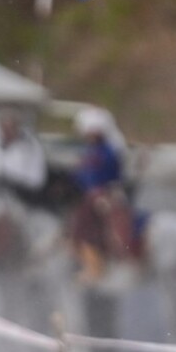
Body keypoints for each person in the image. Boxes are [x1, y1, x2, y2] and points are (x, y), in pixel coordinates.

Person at [66, 106, 134, 283]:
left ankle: (94, 266)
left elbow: (101, 174)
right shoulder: (94, 150)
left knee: (84, 224)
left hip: (105, 193)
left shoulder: (106, 151)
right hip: (94, 192)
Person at [0, 109, 47, 203]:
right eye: (3, 128)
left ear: (16, 127)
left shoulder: (30, 147)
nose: (6, 132)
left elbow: (36, 180)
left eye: (9, 128)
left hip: (22, 197)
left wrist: (9, 180)